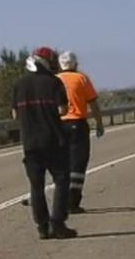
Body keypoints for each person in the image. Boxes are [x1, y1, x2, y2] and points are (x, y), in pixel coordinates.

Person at [11, 47, 77, 240]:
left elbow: (14, 114)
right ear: (47, 62)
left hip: (30, 143)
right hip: (53, 139)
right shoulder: (54, 82)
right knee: (62, 180)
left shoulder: (19, 85)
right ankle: (58, 222)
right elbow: (63, 110)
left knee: (36, 186)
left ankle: (42, 226)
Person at [57, 51, 104, 214]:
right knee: (78, 165)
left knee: (62, 165)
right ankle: (73, 202)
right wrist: (99, 123)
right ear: (75, 64)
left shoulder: (55, 80)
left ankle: (60, 201)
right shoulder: (81, 79)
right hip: (77, 124)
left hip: (59, 126)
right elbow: (93, 103)